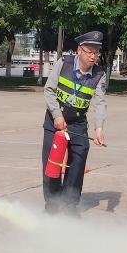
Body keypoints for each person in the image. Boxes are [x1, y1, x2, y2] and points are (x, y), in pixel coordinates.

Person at [42, 31, 107, 214]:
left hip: (77, 123)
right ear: (79, 50)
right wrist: (57, 115)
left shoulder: (99, 75)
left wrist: (99, 128)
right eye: (89, 51)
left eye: (96, 52)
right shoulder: (64, 63)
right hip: (55, 121)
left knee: (78, 162)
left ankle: (69, 206)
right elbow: (48, 90)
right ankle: (52, 206)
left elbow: (100, 103)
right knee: (52, 165)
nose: (93, 56)